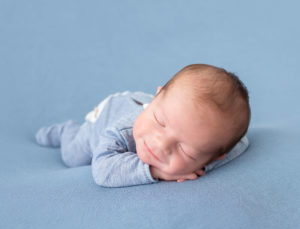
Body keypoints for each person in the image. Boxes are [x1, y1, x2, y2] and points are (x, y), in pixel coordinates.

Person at [35, 64, 251, 187]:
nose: (160, 145)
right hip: (104, 116)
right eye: (160, 122)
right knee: (73, 157)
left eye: (184, 149)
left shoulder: (211, 141)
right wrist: (157, 171)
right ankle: (67, 131)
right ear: (157, 96)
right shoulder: (121, 131)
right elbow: (101, 170)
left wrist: (204, 163)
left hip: (148, 104)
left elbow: (240, 142)